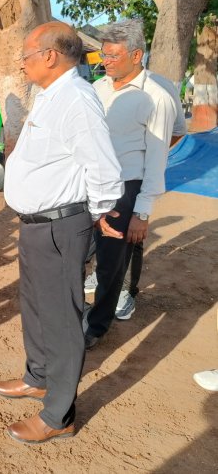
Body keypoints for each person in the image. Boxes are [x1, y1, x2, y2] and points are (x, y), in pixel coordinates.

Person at [0, 21, 123, 444]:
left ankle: (58, 415)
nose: (23, 62)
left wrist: (105, 209)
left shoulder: (77, 99)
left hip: (60, 225)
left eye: (27, 55)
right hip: (36, 225)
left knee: (61, 317)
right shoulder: (51, 95)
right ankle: (38, 376)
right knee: (34, 307)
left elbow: (101, 163)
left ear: (50, 55)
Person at [83, 20, 176, 346]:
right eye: (103, 55)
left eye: (112, 55)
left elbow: (156, 159)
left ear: (136, 55)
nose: (105, 61)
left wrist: (143, 211)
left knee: (110, 263)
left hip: (125, 188)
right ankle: (77, 311)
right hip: (89, 186)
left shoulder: (155, 97)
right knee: (78, 251)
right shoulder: (96, 90)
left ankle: (96, 326)